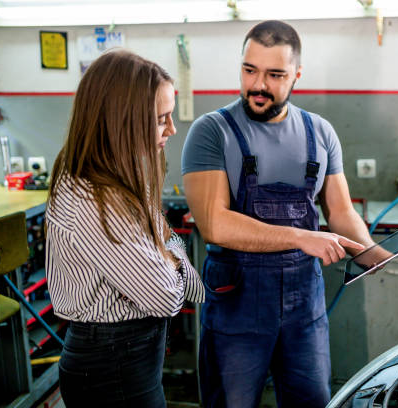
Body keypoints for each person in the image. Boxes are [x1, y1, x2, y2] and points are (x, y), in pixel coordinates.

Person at [182, 20, 375, 407]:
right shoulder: (211, 132)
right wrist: (301, 236)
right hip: (237, 306)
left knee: (313, 401)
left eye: (274, 75)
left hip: (305, 309)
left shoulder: (319, 133)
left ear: (296, 76)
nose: (258, 85)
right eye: (249, 70)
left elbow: (339, 212)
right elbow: (215, 225)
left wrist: (375, 253)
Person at [45, 49, 204, 408]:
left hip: (131, 358)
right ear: (122, 120)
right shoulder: (93, 195)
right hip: (110, 369)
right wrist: (171, 261)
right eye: (160, 118)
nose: (172, 129)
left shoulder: (124, 175)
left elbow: (164, 242)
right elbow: (164, 297)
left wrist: (166, 257)